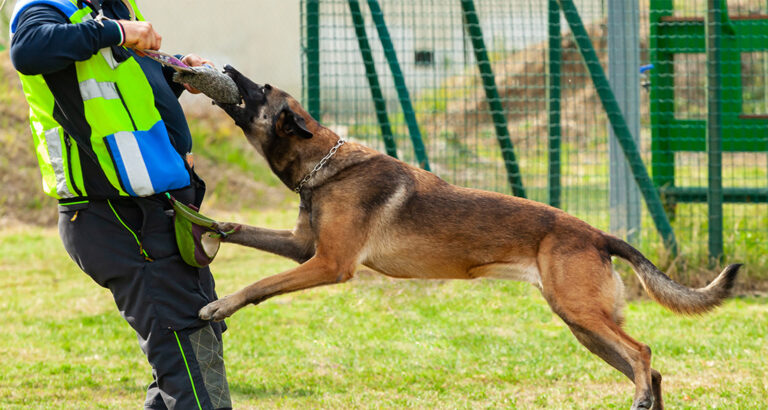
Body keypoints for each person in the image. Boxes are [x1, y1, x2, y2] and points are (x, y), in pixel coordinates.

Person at [9, 0, 231, 408]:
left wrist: (177, 75)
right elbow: (28, 50)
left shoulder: (113, 7)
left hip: (160, 209)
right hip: (115, 217)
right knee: (188, 354)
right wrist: (118, 31)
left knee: (198, 342)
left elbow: (126, 93)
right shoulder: (48, 8)